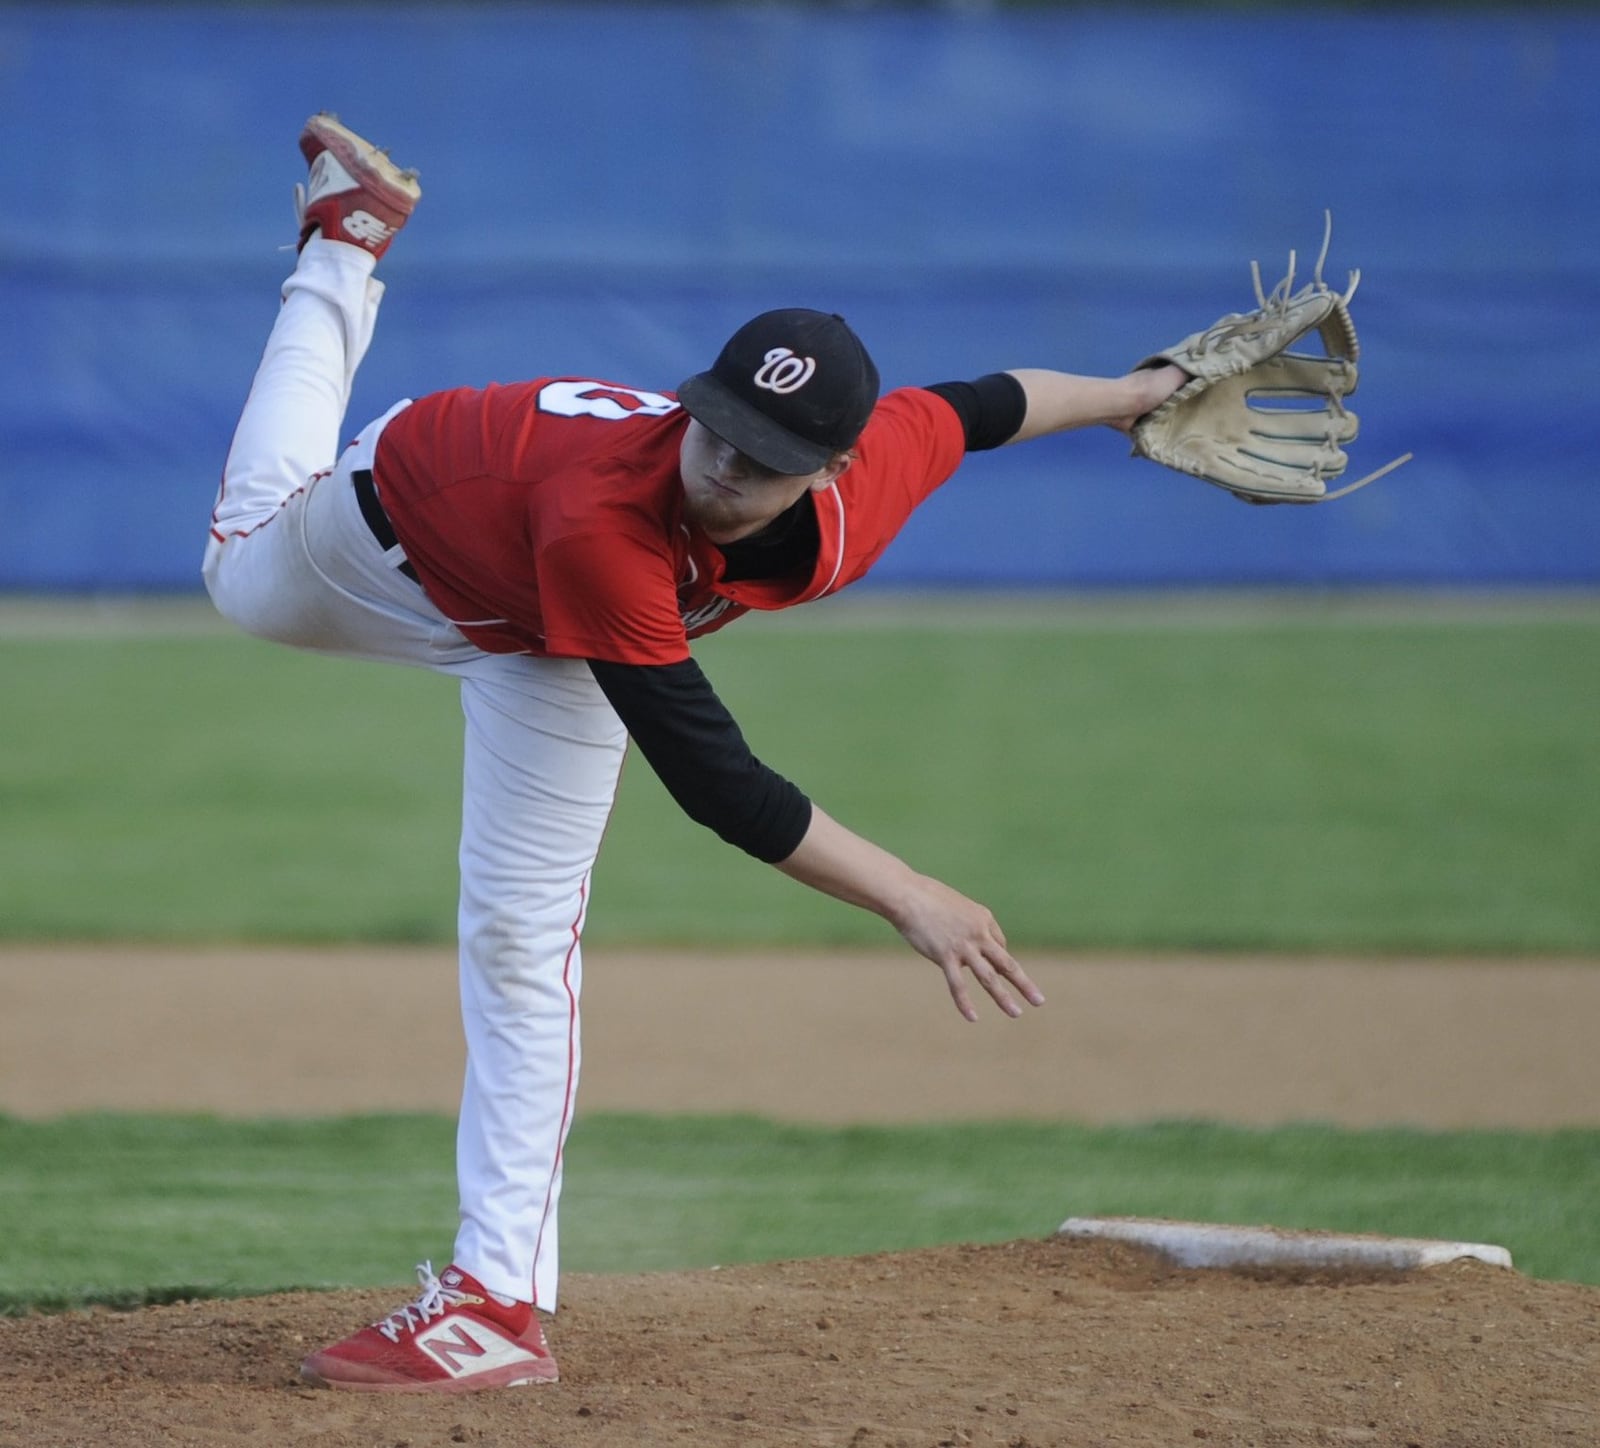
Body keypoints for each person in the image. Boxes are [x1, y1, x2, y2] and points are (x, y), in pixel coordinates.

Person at [204, 114, 1188, 1394]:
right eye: (715, 429)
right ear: (697, 399)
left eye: (765, 459)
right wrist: (913, 894)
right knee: (235, 569)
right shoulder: (604, 521)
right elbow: (718, 782)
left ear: (830, 465)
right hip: (406, 528)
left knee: (520, 937)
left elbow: (977, 407)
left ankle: (493, 1305)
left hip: (548, 641)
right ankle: (343, 250)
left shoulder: (857, 486)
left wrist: (1137, 394)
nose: (722, 468)